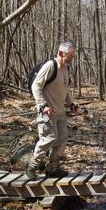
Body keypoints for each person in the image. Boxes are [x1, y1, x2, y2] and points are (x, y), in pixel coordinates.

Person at [23, 42, 78, 179]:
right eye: (69, 56)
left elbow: (64, 90)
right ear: (60, 53)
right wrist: (42, 105)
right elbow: (36, 86)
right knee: (49, 139)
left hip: (60, 112)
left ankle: (52, 168)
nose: (71, 59)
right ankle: (31, 166)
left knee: (62, 138)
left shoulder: (65, 69)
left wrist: (71, 103)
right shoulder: (50, 66)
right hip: (46, 112)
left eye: (72, 56)